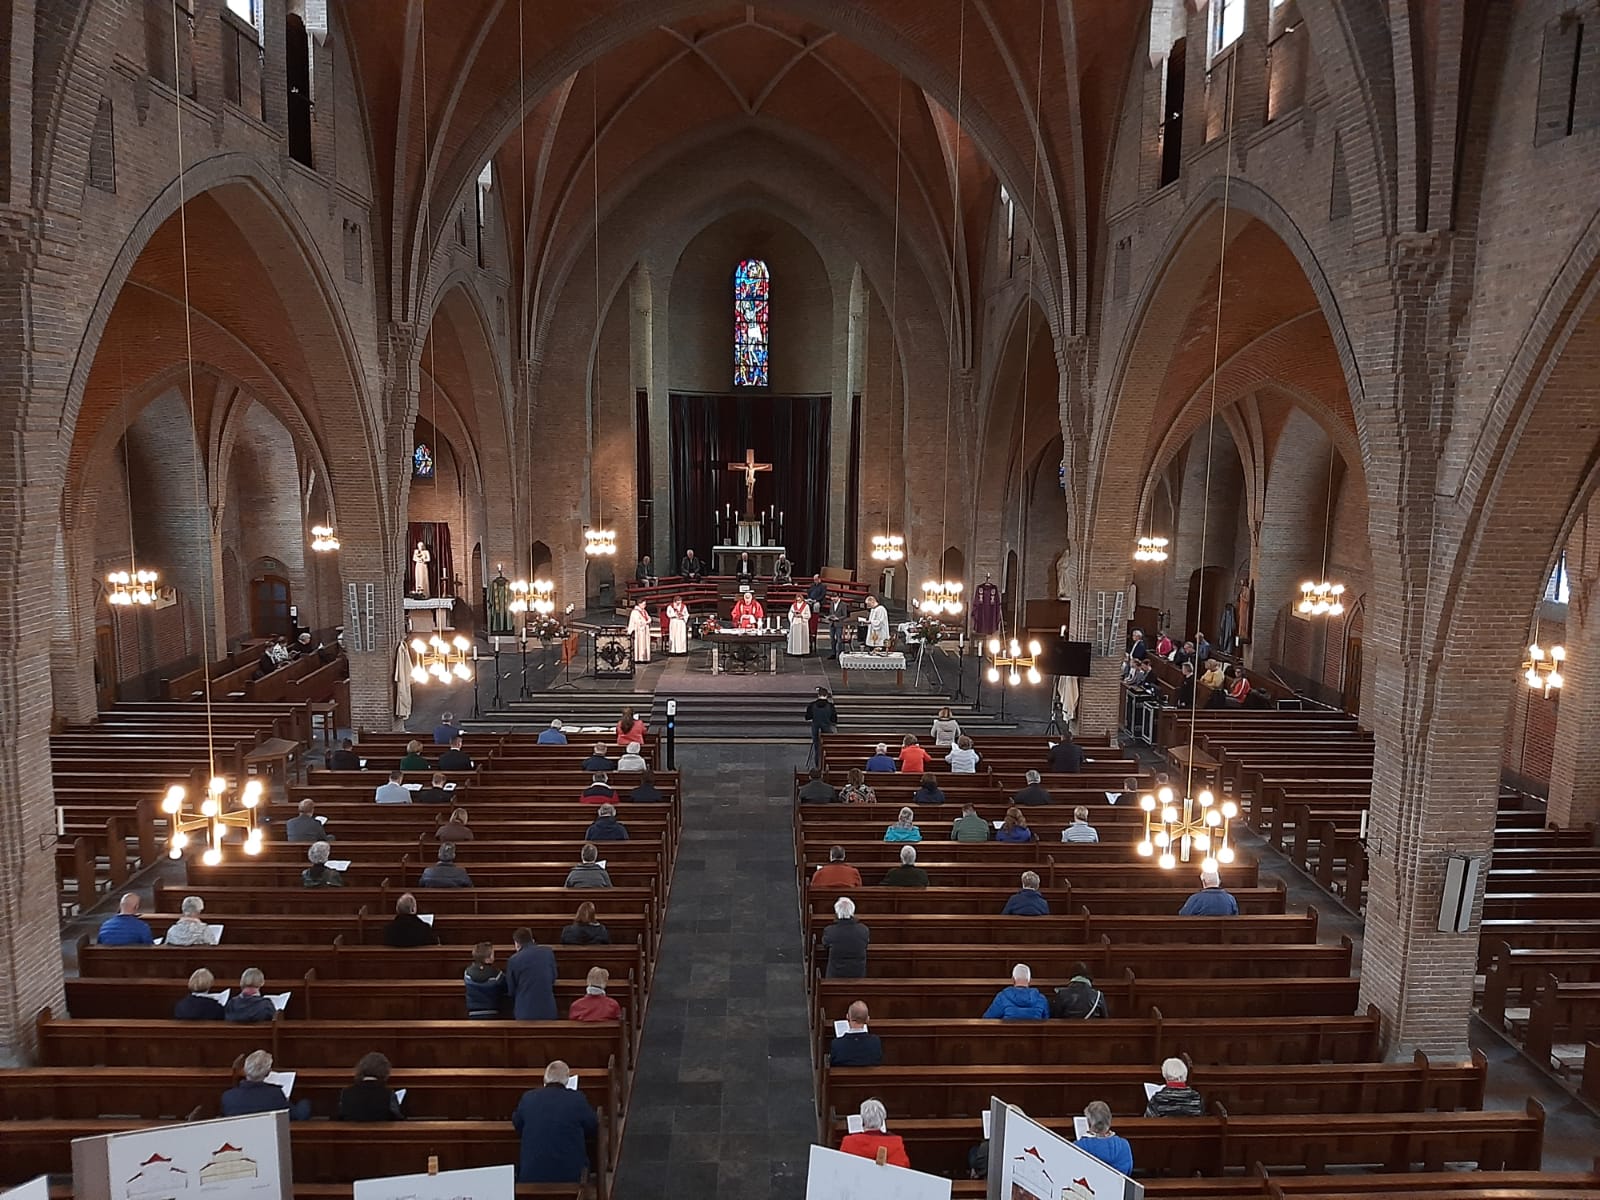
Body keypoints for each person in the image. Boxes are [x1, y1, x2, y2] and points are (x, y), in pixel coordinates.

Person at [512, 1061, 597, 1184]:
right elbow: (592, 1125)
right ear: (567, 1081)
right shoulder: (577, 1099)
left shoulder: (528, 1098)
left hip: (531, 1175)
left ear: (544, 1080)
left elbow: (517, 1123)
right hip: (570, 1176)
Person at [221, 1050, 309, 1120]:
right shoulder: (275, 1094)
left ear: (245, 1070)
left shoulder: (228, 1097)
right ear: (267, 1073)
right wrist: (305, 1102)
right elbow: (297, 1115)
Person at [505, 927, 558, 1020]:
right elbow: (553, 977)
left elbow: (511, 989)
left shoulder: (514, 960)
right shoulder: (548, 952)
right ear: (532, 939)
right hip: (548, 1009)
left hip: (525, 1011)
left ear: (517, 943)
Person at [840, 1098, 910, 1167]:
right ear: (882, 1121)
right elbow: (903, 1167)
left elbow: (842, 1167)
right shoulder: (895, 1143)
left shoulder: (849, 1142)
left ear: (862, 1121)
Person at [338, 1052, 404, 1121]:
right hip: (380, 1131)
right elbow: (397, 1118)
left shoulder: (347, 1092)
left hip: (352, 1131)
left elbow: (340, 1115)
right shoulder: (388, 1094)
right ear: (385, 1072)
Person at [1076, 1100, 1134, 1174]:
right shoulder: (1124, 1145)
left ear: (1089, 1123)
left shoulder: (1080, 1146)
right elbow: (1128, 1171)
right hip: (1117, 1184)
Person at [822, 896, 869, 978]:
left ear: (837, 913)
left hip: (835, 976)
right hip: (858, 976)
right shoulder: (864, 930)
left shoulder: (830, 931)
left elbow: (825, 945)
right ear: (852, 912)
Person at [982, 963, 1050, 1020]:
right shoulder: (1041, 999)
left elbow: (987, 1019)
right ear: (1030, 980)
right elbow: (1047, 1020)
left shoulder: (1002, 997)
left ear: (1013, 979)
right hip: (1035, 1035)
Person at [828, 1001, 883, 1067]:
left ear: (847, 1017)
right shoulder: (875, 1042)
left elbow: (832, 1064)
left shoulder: (836, 1044)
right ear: (867, 1019)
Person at [464, 942, 506, 1018]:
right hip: (492, 1011)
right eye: (493, 954)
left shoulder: (467, 973)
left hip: (473, 1012)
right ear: (487, 959)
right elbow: (505, 987)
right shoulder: (497, 974)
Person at [805, 687, 838, 761]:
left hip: (816, 728)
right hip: (827, 729)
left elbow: (807, 717)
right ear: (826, 695)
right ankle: (827, 761)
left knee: (816, 746)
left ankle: (817, 762)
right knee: (827, 745)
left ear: (818, 695)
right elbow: (834, 720)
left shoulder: (812, 705)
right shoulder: (831, 706)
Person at [626, 599, 652, 663]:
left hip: (644, 630)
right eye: (643, 604)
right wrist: (645, 622)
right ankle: (638, 658)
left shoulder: (644, 611)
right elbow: (637, 621)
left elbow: (648, 617)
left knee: (644, 643)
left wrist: (648, 620)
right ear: (639, 604)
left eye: (645, 604)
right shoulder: (635, 612)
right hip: (638, 631)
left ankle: (644, 658)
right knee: (639, 644)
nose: (644, 606)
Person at [827, 592, 850, 658]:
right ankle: (833, 653)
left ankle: (840, 653)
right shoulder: (831, 604)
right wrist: (830, 617)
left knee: (839, 639)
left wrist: (838, 618)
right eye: (832, 598)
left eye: (834, 598)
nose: (833, 599)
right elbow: (831, 612)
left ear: (838, 597)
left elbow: (845, 615)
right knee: (832, 639)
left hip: (839, 624)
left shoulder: (843, 604)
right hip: (832, 623)